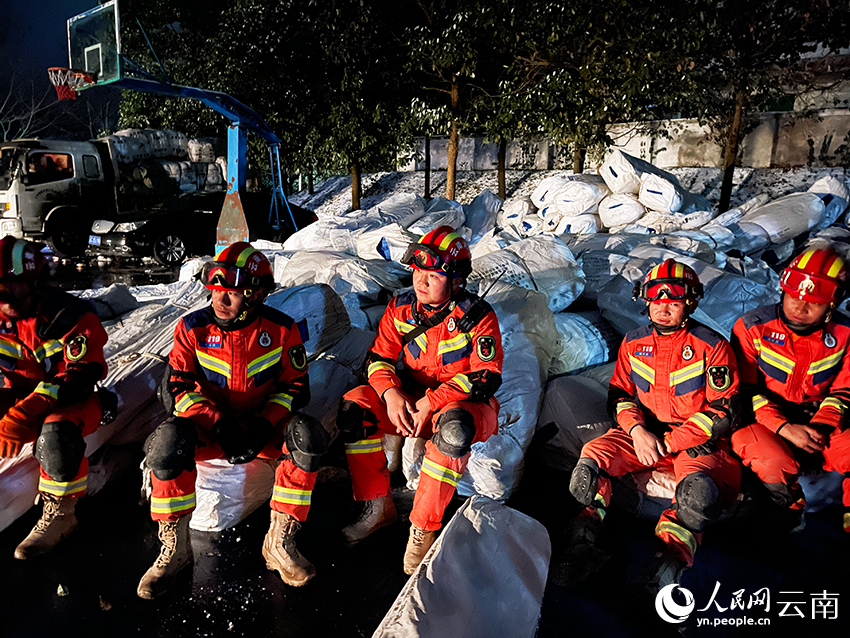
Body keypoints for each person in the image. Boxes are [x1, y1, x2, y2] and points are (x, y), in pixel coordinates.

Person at [137, 242, 328, 599]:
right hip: (209, 431)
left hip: (262, 429)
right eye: (215, 291)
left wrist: (263, 425)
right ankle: (174, 549)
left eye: (231, 294)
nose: (218, 301)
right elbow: (178, 388)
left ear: (255, 295)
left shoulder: (282, 329)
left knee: (308, 436)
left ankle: (280, 542)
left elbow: (296, 387)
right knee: (166, 444)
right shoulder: (190, 328)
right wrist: (218, 425)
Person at [568, 259, 741, 591]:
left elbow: (722, 411)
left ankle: (667, 567)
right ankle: (582, 542)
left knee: (699, 494)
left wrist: (670, 442)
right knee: (589, 467)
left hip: (695, 442)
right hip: (644, 433)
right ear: (645, 300)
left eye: (673, 302)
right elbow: (619, 396)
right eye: (656, 300)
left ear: (690, 303)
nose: (663, 308)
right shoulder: (633, 343)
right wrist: (637, 431)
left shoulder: (713, 346)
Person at [338, 226, 503, 574]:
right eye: (417, 271)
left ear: (457, 281)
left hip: (464, 406)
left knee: (454, 431)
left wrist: (433, 401)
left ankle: (423, 530)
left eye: (433, 275)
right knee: (356, 409)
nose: (421, 282)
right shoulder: (400, 308)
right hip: (412, 401)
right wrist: (390, 393)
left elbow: (485, 377)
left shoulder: (478, 316)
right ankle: (377, 506)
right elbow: (378, 359)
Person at [0, 237, 109, 559]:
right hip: (22, 397)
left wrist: (24, 412)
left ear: (35, 282)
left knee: (56, 435)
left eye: (13, 285)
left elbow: (80, 377)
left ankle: (61, 514)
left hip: (71, 402)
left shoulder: (70, 315)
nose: (5, 295)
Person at [731, 246, 850, 532]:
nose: (799, 307)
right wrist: (783, 427)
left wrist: (822, 426)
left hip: (818, 415)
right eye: (794, 295)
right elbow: (743, 390)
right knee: (773, 460)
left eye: (814, 302)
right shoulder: (752, 328)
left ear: (833, 304)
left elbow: (845, 390)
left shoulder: (846, 334)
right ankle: (788, 515)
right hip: (761, 418)